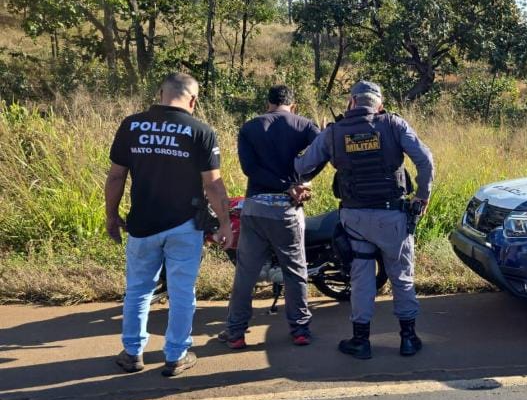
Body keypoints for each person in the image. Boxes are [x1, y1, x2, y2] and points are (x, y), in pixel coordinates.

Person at [105, 72, 233, 377]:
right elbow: (213, 186)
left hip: (142, 225)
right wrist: (226, 223)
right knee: (181, 292)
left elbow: (115, 176)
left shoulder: (131, 125)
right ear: (193, 99)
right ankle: (176, 355)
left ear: (160, 93)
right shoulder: (201, 131)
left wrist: (111, 215)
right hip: (184, 226)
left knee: (138, 290)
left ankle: (132, 353)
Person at [295, 80, 434, 359]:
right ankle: (408, 338)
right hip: (393, 216)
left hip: (355, 218)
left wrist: (325, 140)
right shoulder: (394, 124)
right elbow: (425, 160)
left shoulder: (334, 132)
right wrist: (422, 196)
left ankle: (361, 341)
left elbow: (302, 166)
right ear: (379, 104)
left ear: (352, 102)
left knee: (361, 278)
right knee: (401, 276)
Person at [218, 85, 321, 349]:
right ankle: (299, 329)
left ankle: (236, 332)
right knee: (295, 271)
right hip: (287, 211)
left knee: (246, 273)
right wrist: (300, 182)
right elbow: (323, 154)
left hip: (255, 209)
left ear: (268, 104)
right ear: (293, 105)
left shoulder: (250, 127)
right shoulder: (306, 126)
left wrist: (285, 184)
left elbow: (249, 168)